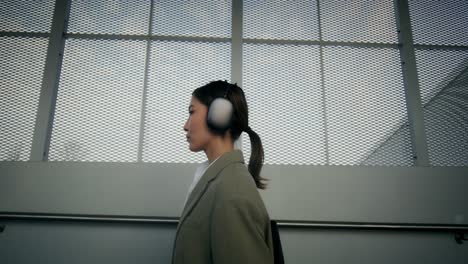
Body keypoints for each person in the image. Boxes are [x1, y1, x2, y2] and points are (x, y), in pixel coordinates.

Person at [172, 80, 274, 264]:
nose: (185, 126)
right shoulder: (215, 178)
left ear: (219, 115)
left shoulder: (233, 191)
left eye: (191, 112)